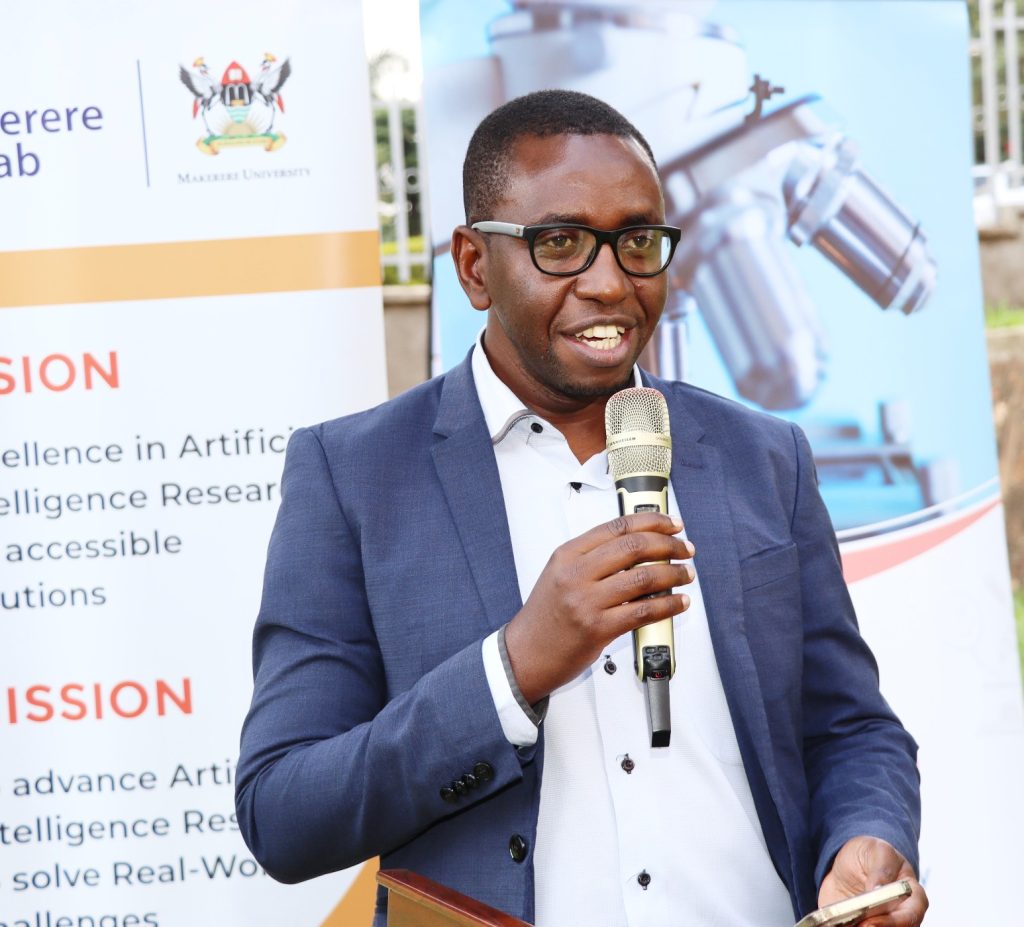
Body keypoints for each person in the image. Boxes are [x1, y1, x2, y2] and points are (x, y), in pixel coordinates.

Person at [236, 90, 927, 927]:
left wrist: (865, 836)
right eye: (560, 243)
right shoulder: (353, 475)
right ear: (472, 265)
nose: (609, 283)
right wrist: (514, 666)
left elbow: (851, 728)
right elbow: (283, 811)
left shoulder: (762, 457)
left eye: (638, 242)